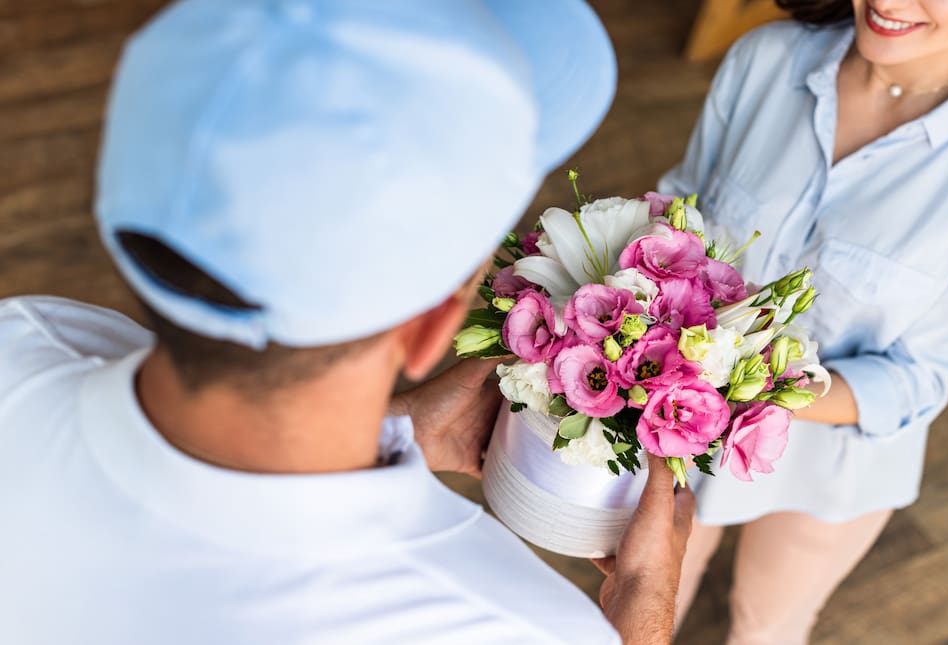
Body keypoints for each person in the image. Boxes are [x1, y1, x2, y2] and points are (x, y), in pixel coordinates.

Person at [0, 1, 695, 643]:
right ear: (430, 333)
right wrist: (643, 609)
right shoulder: (521, 627)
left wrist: (399, 428)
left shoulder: (24, 343)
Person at [658, 0, 948, 642]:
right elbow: (673, 216)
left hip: (830, 460)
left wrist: (740, 391)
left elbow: (914, 380)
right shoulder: (766, 58)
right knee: (648, 591)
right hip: (670, 425)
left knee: (767, 624)